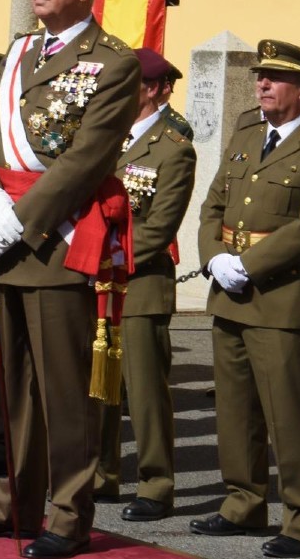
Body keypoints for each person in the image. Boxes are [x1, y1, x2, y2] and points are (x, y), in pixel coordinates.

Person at [0, 0, 140, 559]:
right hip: (6, 231)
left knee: (63, 392)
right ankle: (13, 502)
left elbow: (86, 159)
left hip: (57, 241)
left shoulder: (114, 62)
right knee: (14, 386)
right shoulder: (22, 51)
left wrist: (18, 218)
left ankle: (68, 514)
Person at [190, 40, 300, 559]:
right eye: (260, 76)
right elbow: (215, 201)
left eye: (274, 78)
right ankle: (242, 502)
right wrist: (214, 256)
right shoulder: (246, 132)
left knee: (288, 413)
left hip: (280, 298)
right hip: (228, 291)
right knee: (235, 409)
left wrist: (249, 265)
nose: (262, 84)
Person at [93, 48, 196, 522]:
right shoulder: (102, 138)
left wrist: (110, 258)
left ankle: (155, 484)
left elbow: (159, 226)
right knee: (97, 383)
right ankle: (100, 474)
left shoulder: (174, 148)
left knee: (145, 391)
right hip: (93, 280)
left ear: (153, 89)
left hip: (139, 281)